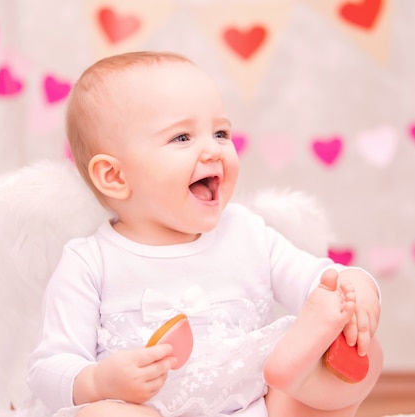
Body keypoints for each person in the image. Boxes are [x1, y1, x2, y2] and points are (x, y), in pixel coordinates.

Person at [27, 51, 383, 417]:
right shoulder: (90, 262)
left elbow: (318, 281)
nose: (213, 149)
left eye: (221, 132)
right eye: (182, 137)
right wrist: (98, 381)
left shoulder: (247, 233)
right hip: (145, 411)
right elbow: (48, 369)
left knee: (346, 352)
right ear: (115, 177)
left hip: (253, 408)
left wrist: (355, 288)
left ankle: (303, 372)